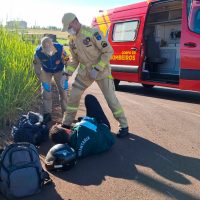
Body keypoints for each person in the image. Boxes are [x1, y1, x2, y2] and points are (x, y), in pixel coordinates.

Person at [61, 13, 129, 138]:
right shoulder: (71, 39)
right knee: (73, 97)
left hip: (101, 71)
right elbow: (74, 59)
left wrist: (97, 68)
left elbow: (108, 51)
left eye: (69, 27)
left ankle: (124, 125)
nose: (69, 30)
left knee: (111, 99)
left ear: (75, 22)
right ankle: (66, 124)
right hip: (85, 73)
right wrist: (67, 73)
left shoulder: (93, 33)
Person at [49, 94, 115, 158]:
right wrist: (82, 121)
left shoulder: (73, 151)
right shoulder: (82, 126)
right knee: (89, 98)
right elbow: (93, 121)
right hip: (106, 135)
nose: (60, 124)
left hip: (100, 144)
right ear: (67, 130)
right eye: (60, 126)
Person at [33, 37, 69, 123]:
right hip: (46, 71)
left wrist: (66, 76)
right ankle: (47, 114)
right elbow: (37, 68)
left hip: (59, 70)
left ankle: (66, 114)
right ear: (42, 48)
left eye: (50, 48)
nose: (48, 51)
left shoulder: (60, 49)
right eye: (46, 49)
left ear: (53, 45)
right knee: (46, 93)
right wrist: (42, 80)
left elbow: (67, 62)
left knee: (63, 91)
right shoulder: (38, 53)